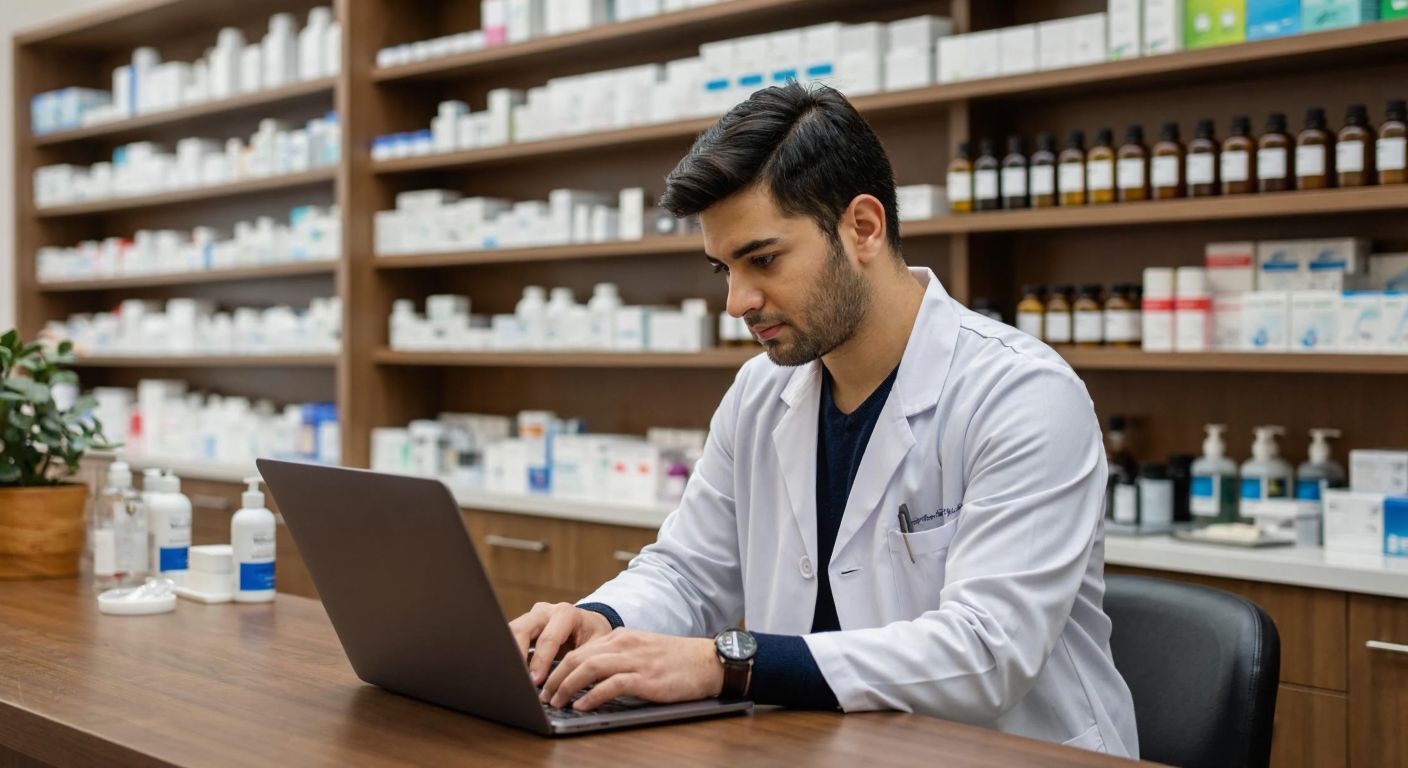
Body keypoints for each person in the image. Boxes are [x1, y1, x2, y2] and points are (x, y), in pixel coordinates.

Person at [508, 82, 1138, 758]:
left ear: (862, 228)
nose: (737, 301)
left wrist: (732, 662)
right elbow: (689, 571)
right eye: (723, 268)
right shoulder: (759, 393)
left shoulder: (1020, 394)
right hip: (823, 747)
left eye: (764, 259)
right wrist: (597, 620)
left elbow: (986, 652)